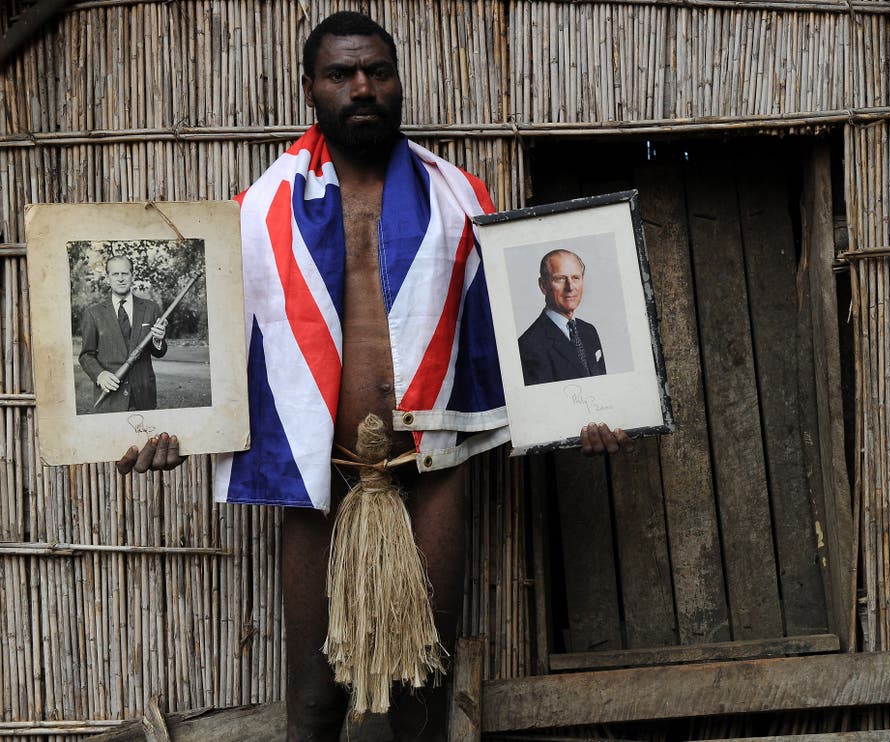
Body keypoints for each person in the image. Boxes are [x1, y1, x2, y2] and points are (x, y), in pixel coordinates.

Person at [118, 12, 633, 741]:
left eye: (377, 72)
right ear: (310, 89)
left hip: (431, 469)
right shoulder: (257, 212)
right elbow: (209, 345)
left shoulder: (460, 199)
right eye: (340, 74)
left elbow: (509, 339)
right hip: (321, 476)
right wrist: (151, 428)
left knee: (423, 699)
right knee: (314, 703)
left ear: (397, 81)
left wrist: (584, 408)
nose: (362, 88)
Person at [78, 255, 168, 412]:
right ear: (108, 278)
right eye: (115, 274)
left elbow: (159, 352)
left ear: (132, 276)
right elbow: (86, 355)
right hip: (111, 398)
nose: (120, 279)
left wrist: (158, 340)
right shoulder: (93, 313)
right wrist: (99, 375)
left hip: (144, 396)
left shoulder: (151, 308)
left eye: (125, 273)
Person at [518, 249, 607, 386]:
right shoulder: (529, 345)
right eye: (560, 279)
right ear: (543, 286)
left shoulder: (589, 331)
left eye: (576, 278)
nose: (570, 287)